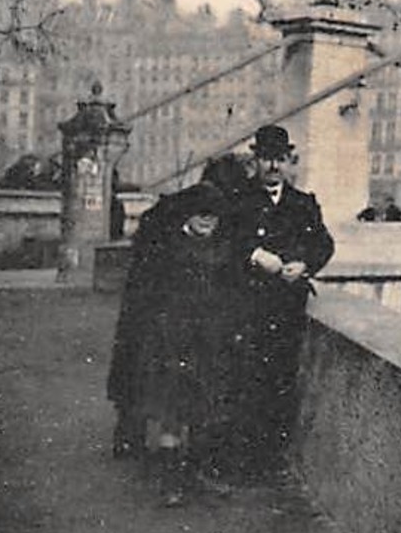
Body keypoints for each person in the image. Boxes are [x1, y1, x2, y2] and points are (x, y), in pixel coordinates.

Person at [107, 158, 250, 505]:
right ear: (188, 214)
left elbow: (231, 295)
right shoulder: (168, 248)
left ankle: (194, 476)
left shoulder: (221, 249)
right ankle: (171, 482)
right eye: (202, 214)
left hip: (207, 341)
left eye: (213, 216)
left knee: (202, 412)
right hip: (171, 341)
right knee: (171, 414)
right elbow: (151, 296)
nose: (208, 221)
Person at [221, 124, 335, 482]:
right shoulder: (237, 201)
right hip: (247, 309)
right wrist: (255, 255)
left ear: (290, 162)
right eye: (268, 158)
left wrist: (305, 265)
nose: (274, 166)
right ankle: (243, 463)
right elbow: (224, 243)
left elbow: (323, 244)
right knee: (244, 383)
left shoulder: (304, 204)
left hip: (287, 310)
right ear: (257, 160)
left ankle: (273, 462)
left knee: (281, 384)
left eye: (280, 159)